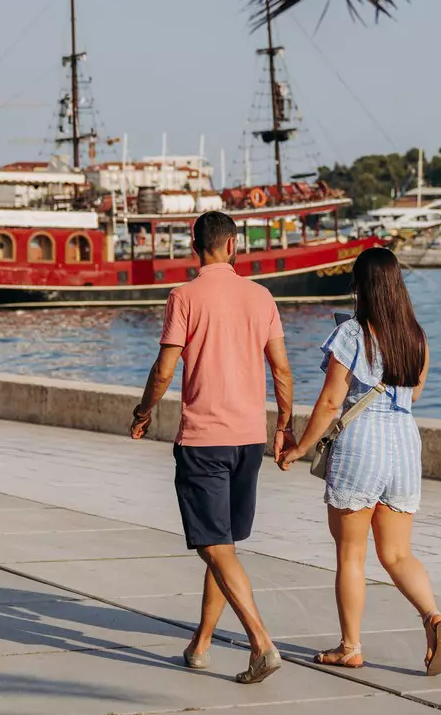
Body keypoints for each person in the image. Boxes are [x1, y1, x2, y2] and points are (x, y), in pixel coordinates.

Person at [130, 210, 294, 684]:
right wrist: (284, 424)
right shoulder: (261, 295)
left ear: (195, 247)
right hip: (249, 440)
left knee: (216, 546)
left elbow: (164, 370)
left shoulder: (183, 296)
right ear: (233, 246)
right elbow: (282, 370)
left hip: (204, 440)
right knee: (224, 545)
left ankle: (261, 643)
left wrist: (143, 413)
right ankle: (200, 645)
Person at [276, 247, 441, 675]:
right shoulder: (417, 336)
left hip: (362, 445)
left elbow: (331, 401)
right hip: (405, 445)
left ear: (361, 287)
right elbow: (416, 393)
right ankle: (434, 617)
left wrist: (299, 447)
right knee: (396, 553)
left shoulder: (352, 334)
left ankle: (350, 646)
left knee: (351, 555)